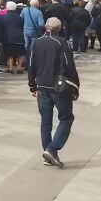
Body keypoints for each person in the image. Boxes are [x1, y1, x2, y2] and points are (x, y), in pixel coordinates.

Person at [28, 17, 79, 168]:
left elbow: (32, 65)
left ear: (45, 27)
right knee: (66, 117)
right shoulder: (61, 42)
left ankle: (48, 152)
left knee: (46, 121)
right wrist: (76, 86)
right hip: (58, 86)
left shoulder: (37, 42)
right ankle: (52, 148)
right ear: (59, 28)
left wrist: (32, 85)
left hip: (42, 85)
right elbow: (70, 65)